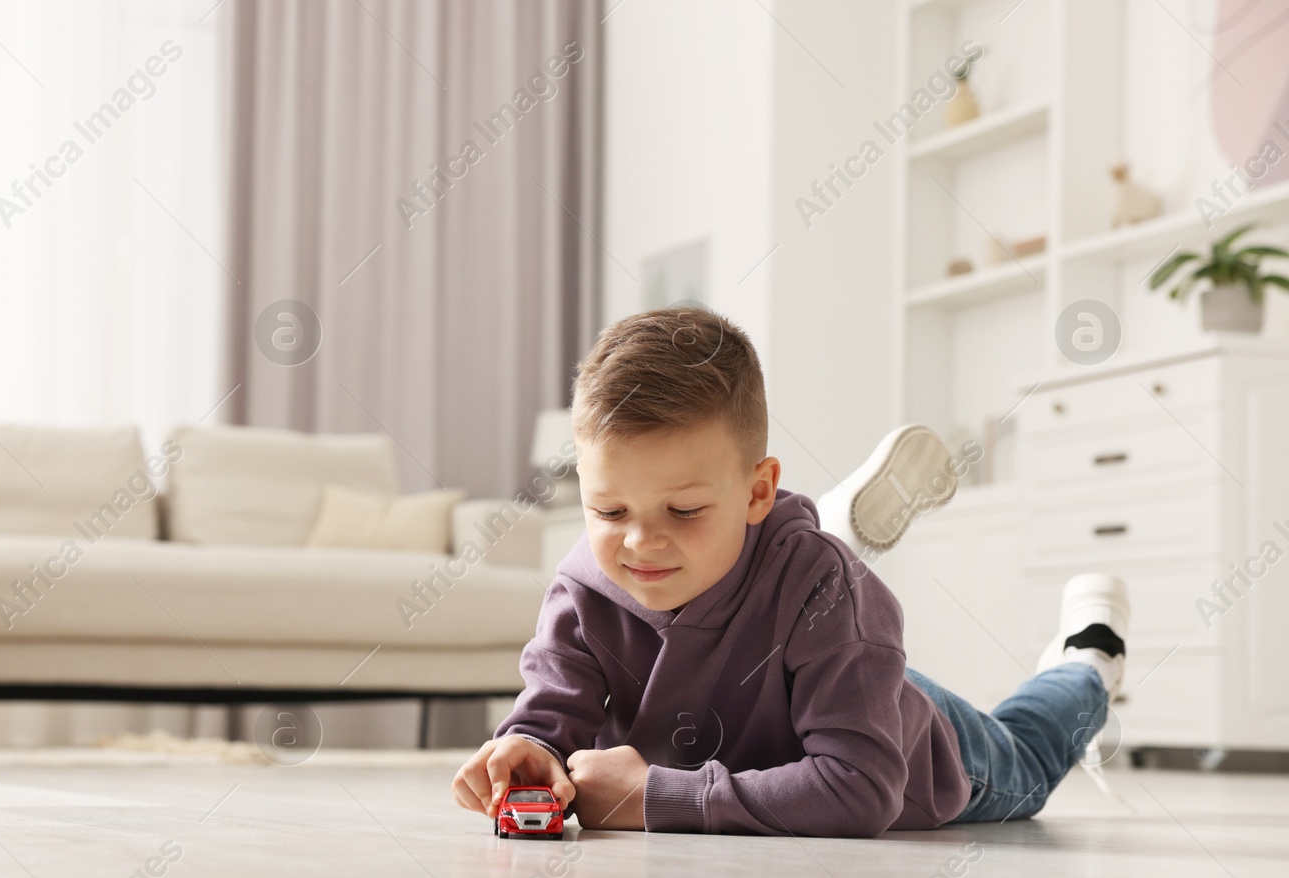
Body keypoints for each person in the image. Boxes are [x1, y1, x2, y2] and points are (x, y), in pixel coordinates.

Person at [451, 306, 1129, 835]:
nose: (639, 541)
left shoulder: (825, 586)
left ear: (757, 491)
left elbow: (860, 789)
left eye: (683, 510)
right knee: (809, 591)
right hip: (824, 672)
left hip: (915, 742)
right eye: (607, 509)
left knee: (1033, 751)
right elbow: (551, 713)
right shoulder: (580, 591)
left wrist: (657, 797)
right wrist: (528, 749)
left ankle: (1088, 657)